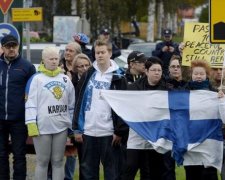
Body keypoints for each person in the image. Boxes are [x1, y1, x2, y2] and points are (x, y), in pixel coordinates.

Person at [73, 39, 128, 180]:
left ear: (109, 53)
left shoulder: (119, 77)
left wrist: (119, 131)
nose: (100, 55)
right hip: (89, 132)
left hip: (109, 133)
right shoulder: (88, 74)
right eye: (97, 53)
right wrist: (77, 129)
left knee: (112, 172)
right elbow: (78, 102)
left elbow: (124, 107)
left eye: (103, 52)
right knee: (88, 172)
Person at [25, 46, 75, 180]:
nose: (53, 61)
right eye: (50, 59)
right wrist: (31, 124)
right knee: (42, 162)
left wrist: (72, 126)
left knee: (58, 162)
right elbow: (30, 104)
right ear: (43, 60)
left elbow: (71, 105)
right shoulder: (37, 79)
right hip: (42, 127)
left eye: (56, 58)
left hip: (61, 127)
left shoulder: (65, 79)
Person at [123, 57, 167, 180]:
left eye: (159, 70)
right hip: (137, 135)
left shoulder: (167, 89)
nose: (157, 72)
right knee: (130, 167)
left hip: (157, 137)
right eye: (154, 70)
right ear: (146, 71)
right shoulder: (133, 88)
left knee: (153, 171)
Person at [0, 34, 36, 180]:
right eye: (8, 46)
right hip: (0, 118)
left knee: (19, 155)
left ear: (18, 46)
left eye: (14, 46)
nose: (11, 49)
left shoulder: (27, 67)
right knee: (1, 154)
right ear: (2, 48)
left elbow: (33, 94)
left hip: (19, 120)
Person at [184, 59, 218, 180]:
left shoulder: (215, 94)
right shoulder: (183, 93)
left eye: (201, 74)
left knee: (209, 174)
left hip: (209, 141)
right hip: (190, 141)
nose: (198, 76)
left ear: (207, 75)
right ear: (191, 75)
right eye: (196, 73)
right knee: (192, 173)